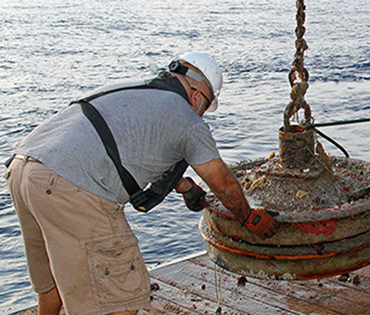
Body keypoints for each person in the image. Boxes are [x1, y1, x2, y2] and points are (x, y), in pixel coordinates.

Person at [4, 52, 279, 315]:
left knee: (51, 281)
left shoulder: (133, 90)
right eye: (205, 107)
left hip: (24, 169)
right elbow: (225, 186)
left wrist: (184, 187)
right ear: (197, 96)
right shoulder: (186, 118)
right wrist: (249, 218)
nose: (202, 113)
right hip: (71, 186)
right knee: (124, 296)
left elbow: (125, 148)